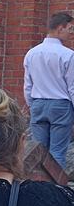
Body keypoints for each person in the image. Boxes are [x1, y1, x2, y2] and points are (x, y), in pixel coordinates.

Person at [23, 11, 74, 169]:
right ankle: (55, 191)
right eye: (70, 28)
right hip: (61, 105)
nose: (72, 33)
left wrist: (32, 105)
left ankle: (39, 188)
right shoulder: (68, 55)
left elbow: (27, 85)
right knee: (57, 152)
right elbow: (72, 87)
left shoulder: (31, 53)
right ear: (60, 28)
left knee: (38, 152)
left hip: (38, 103)